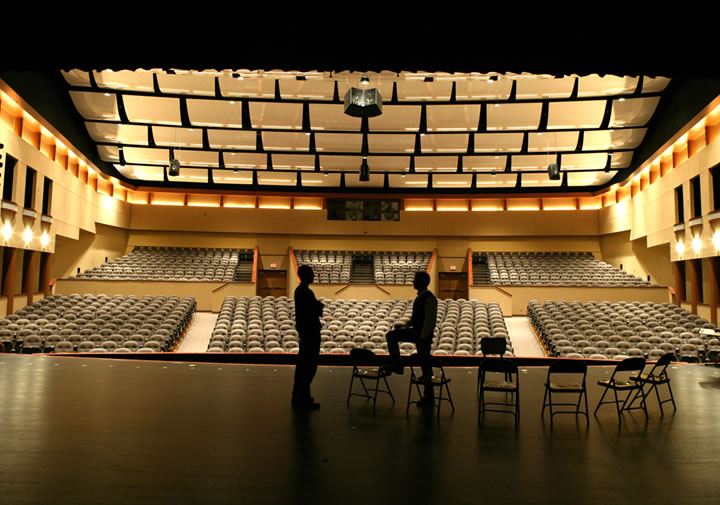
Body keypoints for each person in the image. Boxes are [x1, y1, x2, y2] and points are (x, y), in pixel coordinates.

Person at [383, 271, 438, 406]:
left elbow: (429, 321)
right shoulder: (420, 297)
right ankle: (428, 396)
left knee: (425, 365)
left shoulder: (429, 299)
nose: (413, 282)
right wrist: (404, 325)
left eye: (415, 280)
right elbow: (416, 319)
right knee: (424, 364)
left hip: (422, 335)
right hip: (418, 332)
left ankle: (428, 396)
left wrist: (423, 337)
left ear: (421, 282)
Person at [292, 264, 324, 410]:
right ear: (305, 275)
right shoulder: (305, 292)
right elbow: (316, 309)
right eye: (311, 273)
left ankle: (300, 397)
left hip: (306, 331)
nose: (313, 276)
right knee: (308, 367)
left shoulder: (300, 291)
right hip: (310, 332)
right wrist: (319, 306)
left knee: (303, 366)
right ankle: (302, 399)